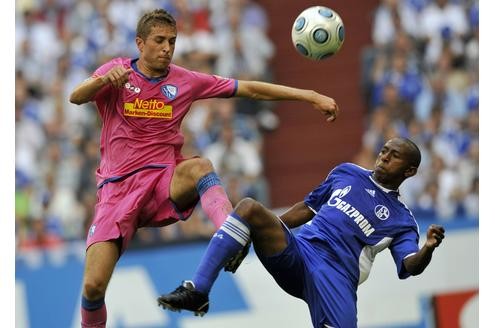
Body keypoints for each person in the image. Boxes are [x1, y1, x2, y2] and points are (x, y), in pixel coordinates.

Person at [68, 8, 339, 328]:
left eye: (172, 41)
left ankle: (230, 232)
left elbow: (249, 88)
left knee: (200, 167)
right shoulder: (116, 71)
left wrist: (309, 95)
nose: (167, 48)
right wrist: (102, 80)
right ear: (140, 44)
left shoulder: (185, 80)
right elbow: (76, 96)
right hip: (116, 191)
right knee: (93, 287)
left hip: (161, 182)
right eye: (159, 41)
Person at [158, 137, 445, 327]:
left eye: (393, 156)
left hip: (336, 276)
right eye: (384, 151)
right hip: (299, 252)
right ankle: (199, 291)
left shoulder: (402, 219)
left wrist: (428, 247)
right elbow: (307, 208)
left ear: (409, 172)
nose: (383, 157)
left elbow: (408, 266)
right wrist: (266, 229)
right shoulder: (347, 173)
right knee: (248, 209)